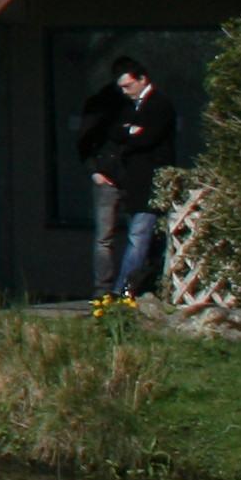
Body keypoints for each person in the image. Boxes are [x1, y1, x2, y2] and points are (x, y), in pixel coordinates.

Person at [74, 55, 178, 298]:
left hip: (143, 181)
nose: (124, 92)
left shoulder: (158, 104)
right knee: (108, 237)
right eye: (120, 87)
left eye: (128, 86)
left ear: (142, 79)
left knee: (140, 236)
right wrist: (95, 170)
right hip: (113, 177)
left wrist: (129, 134)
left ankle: (125, 290)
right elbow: (95, 137)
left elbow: (147, 137)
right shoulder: (115, 106)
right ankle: (106, 291)